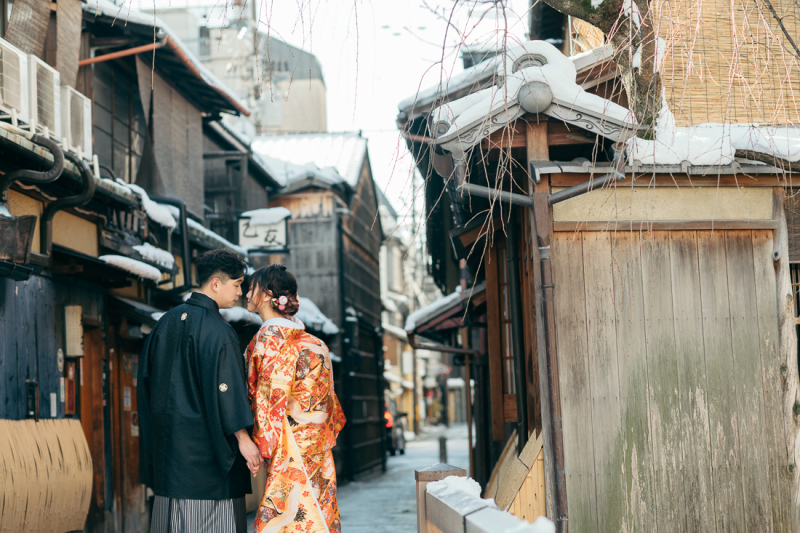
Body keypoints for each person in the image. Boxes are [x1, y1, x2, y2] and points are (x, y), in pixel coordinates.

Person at [138, 249, 263, 533]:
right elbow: (227, 390)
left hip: (169, 459)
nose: (240, 293)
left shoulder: (165, 323)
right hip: (208, 463)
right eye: (236, 284)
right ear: (215, 284)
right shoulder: (219, 331)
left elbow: (145, 382)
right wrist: (243, 438)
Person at [245, 264, 346, 533]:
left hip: (288, 446)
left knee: (287, 519)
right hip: (317, 445)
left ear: (267, 294)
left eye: (251, 288)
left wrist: (258, 448)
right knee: (319, 513)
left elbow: (268, 401)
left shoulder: (270, 340)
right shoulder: (316, 343)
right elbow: (330, 404)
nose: (246, 293)